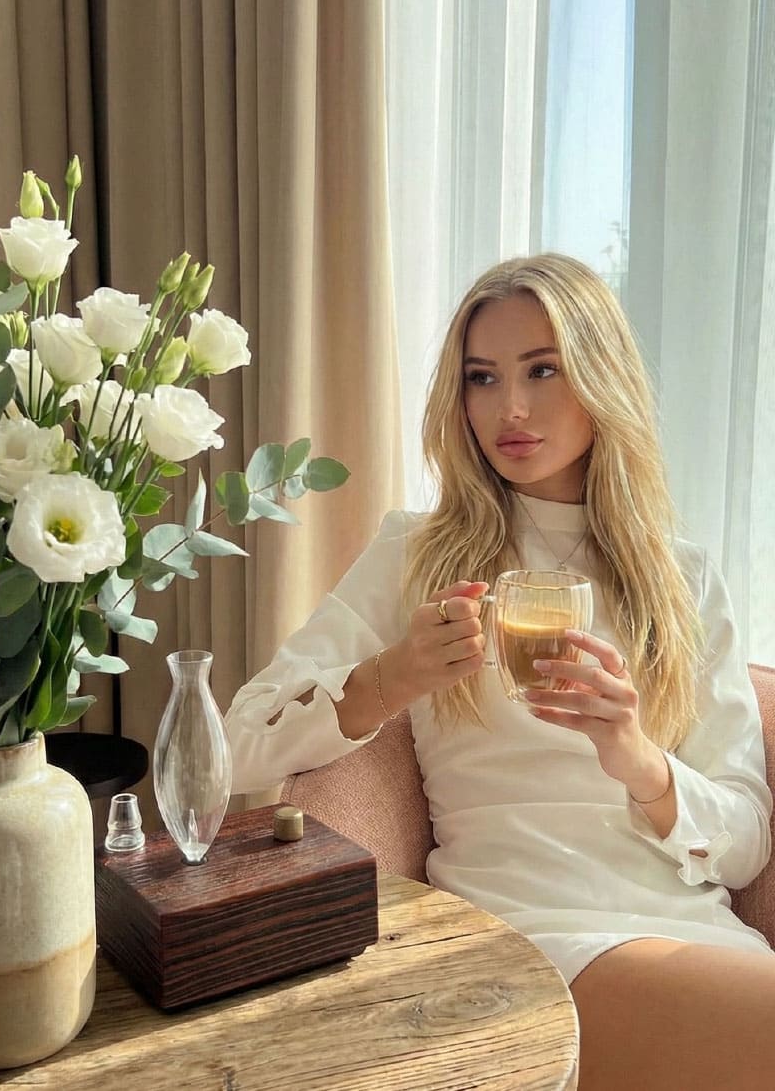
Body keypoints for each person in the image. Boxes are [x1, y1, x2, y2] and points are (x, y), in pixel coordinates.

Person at [226, 253, 775, 1090]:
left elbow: (743, 845)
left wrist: (638, 761)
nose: (509, 409)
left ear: (601, 378)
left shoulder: (682, 577)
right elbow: (239, 744)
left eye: (542, 370)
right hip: (528, 935)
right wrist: (394, 677)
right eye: (482, 378)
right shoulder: (418, 552)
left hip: (692, 931)